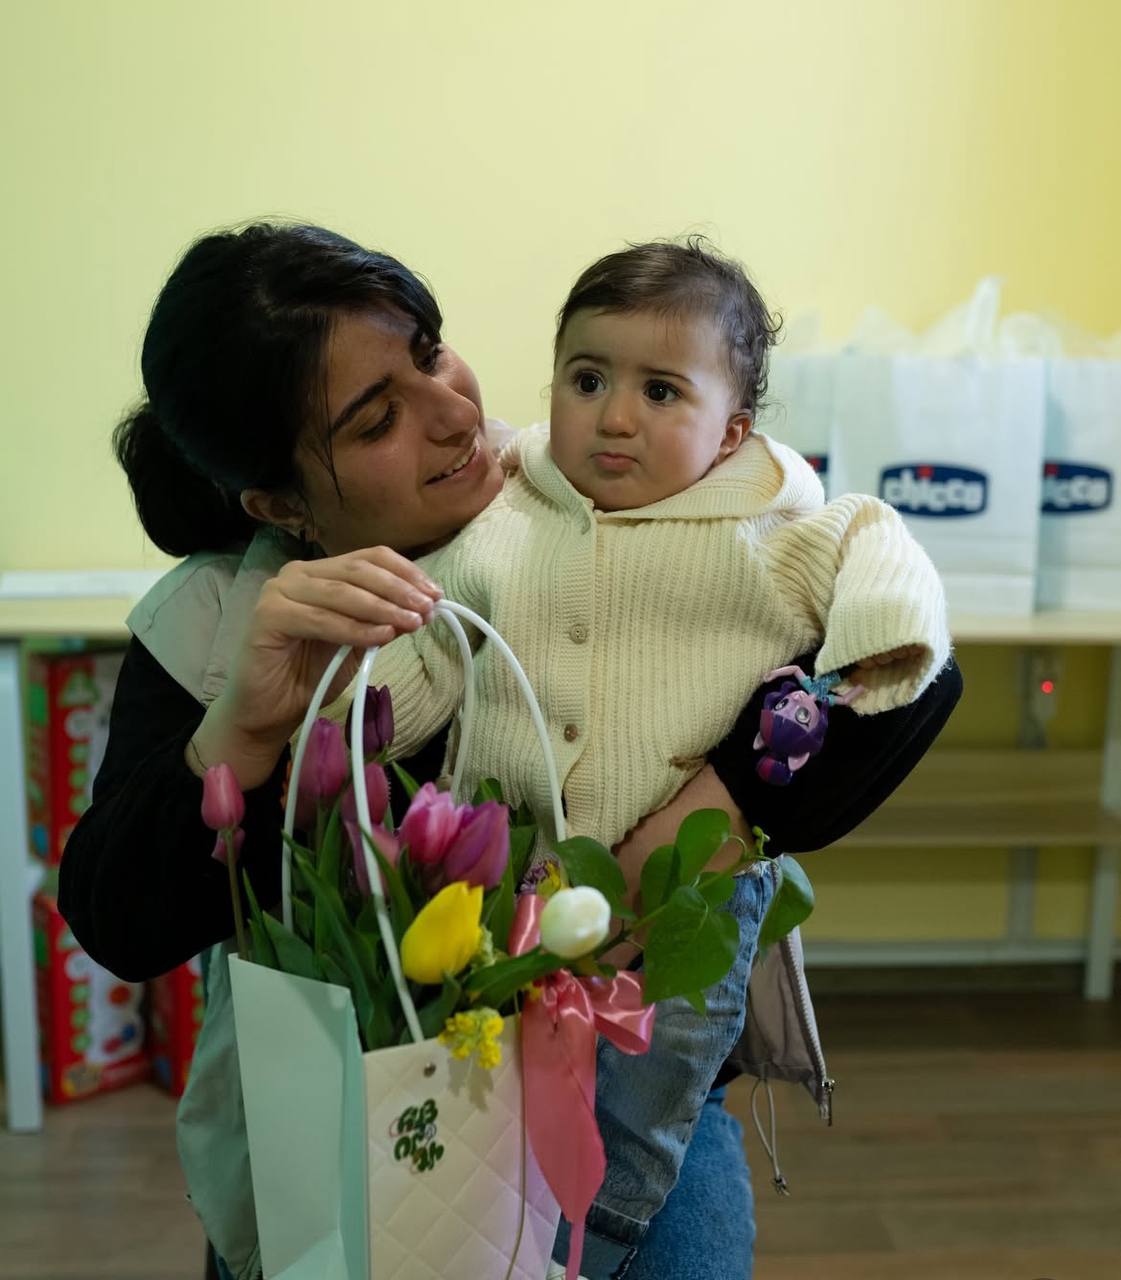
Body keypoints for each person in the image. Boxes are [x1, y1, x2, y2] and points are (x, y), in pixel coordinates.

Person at [58, 223, 962, 1280]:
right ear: (279, 504)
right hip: (353, 1110)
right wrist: (249, 731)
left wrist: (702, 814)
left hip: (634, 1078)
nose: (452, 412)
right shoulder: (218, 622)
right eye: (377, 418)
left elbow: (905, 678)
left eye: (430, 351)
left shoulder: (587, 491)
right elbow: (117, 917)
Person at [326, 239, 951, 1277]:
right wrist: (350, 723)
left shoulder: (772, 527)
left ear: (730, 430)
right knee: (503, 1087)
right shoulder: (504, 518)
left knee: (644, 1100)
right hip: (513, 891)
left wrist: (879, 639)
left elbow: (878, 550)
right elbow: (435, 647)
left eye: (660, 391)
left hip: (690, 898)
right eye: (587, 379)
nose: (614, 417)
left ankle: (601, 1240)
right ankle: (523, 1228)